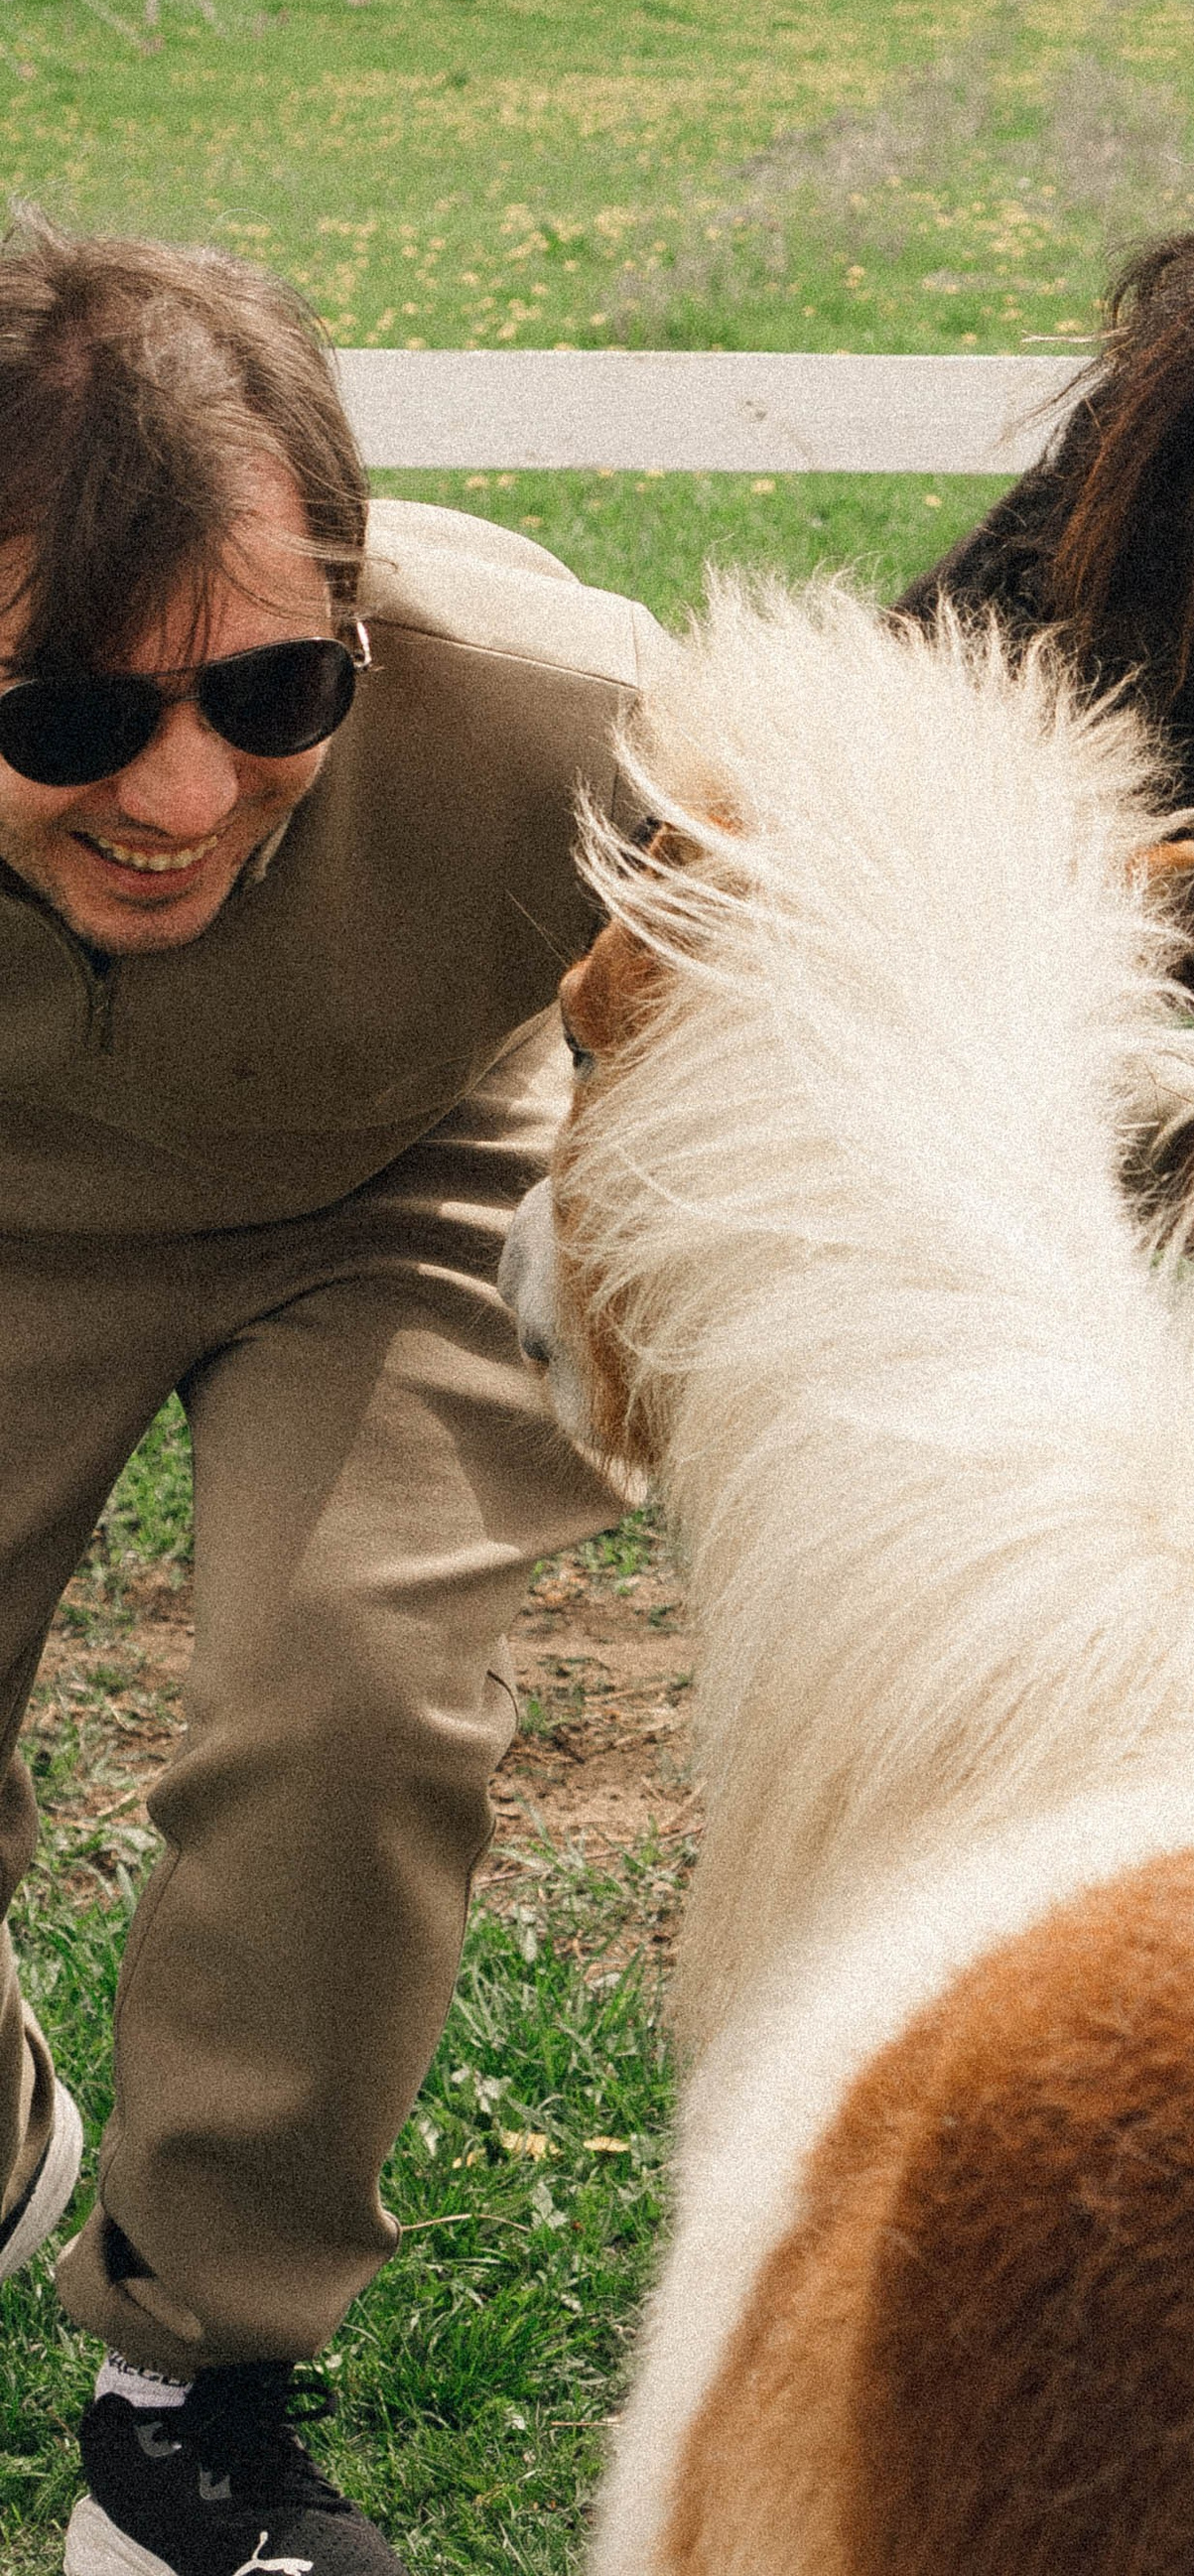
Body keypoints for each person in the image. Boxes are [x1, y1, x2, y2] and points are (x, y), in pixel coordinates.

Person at [0, 219, 663, 2576]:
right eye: (67, 716)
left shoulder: (572, 711)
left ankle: (190, 2410)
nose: (178, 791)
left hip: (394, 1176)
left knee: (352, 1680)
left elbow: (881, 926)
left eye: (275, 699)